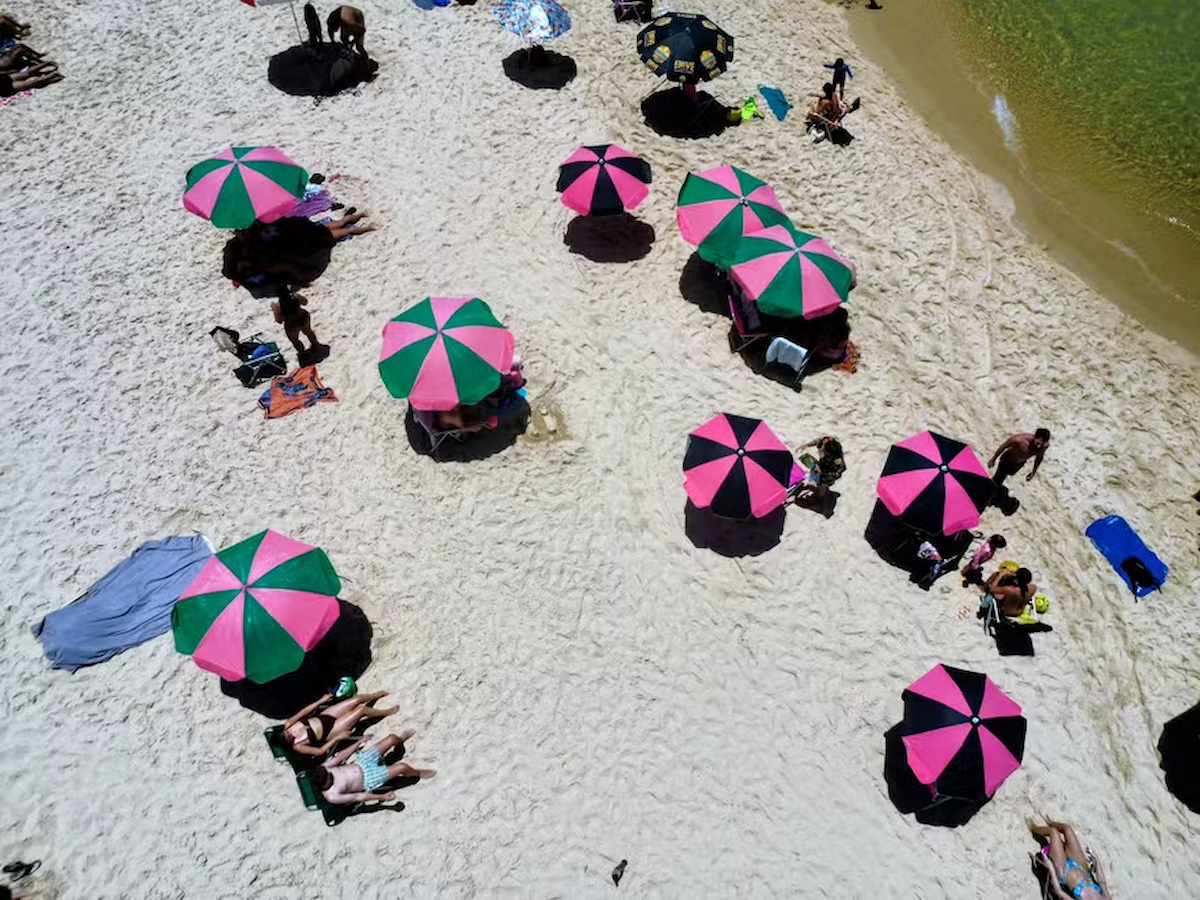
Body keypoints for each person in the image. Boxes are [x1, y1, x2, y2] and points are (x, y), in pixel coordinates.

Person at [314, 731, 436, 805]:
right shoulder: (332, 796)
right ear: (325, 783)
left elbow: (340, 757)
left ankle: (399, 741)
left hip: (362, 762)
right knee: (401, 767)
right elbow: (358, 797)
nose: (331, 775)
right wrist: (381, 797)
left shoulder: (325, 768)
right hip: (368, 779)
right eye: (329, 777)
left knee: (392, 738)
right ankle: (415, 773)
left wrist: (358, 743)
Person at [281, 691, 400, 757]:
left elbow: (304, 711)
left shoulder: (289, 724)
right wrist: (337, 738)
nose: (291, 733)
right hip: (330, 731)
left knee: (356, 700)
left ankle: (376, 695)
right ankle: (386, 712)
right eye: (289, 737)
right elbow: (320, 751)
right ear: (288, 742)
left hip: (324, 716)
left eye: (287, 732)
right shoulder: (298, 746)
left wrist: (320, 701)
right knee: (361, 711)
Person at [1029, 820, 1110, 899]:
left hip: (1064, 872)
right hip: (1081, 867)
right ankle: (1050, 822)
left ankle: (1033, 828)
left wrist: (1051, 868)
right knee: (1067, 829)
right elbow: (1102, 883)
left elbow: (1059, 891)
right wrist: (1097, 862)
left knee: (1053, 832)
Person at [272, 289, 327, 364]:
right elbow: (305, 302)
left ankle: (303, 353)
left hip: (292, 325)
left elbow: (279, 320)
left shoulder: (277, 306)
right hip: (303, 318)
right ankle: (315, 345)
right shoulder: (295, 296)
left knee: (295, 341)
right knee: (308, 332)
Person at [793, 436, 846, 504]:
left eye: (822, 450)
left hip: (830, 473)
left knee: (822, 484)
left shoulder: (836, 461)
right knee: (806, 459)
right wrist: (807, 445)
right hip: (824, 465)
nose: (820, 450)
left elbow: (837, 472)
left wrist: (821, 471)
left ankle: (819, 498)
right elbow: (819, 441)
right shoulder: (827, 440)